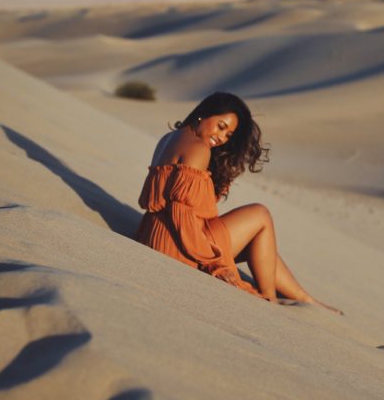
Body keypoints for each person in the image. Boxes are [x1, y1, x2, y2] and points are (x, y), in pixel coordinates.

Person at [136, 91, 338, 309]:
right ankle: (270, 300)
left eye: (229, 135)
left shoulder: (169, 138)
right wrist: (216, 265)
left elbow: (168, 199)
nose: (222, 137)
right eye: (221, 126)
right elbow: (181, 214)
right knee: (260, 214)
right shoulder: (198, 148)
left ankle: (306, 300)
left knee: (262, 245)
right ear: (204, 114)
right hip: (177, 246)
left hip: (153, 234)